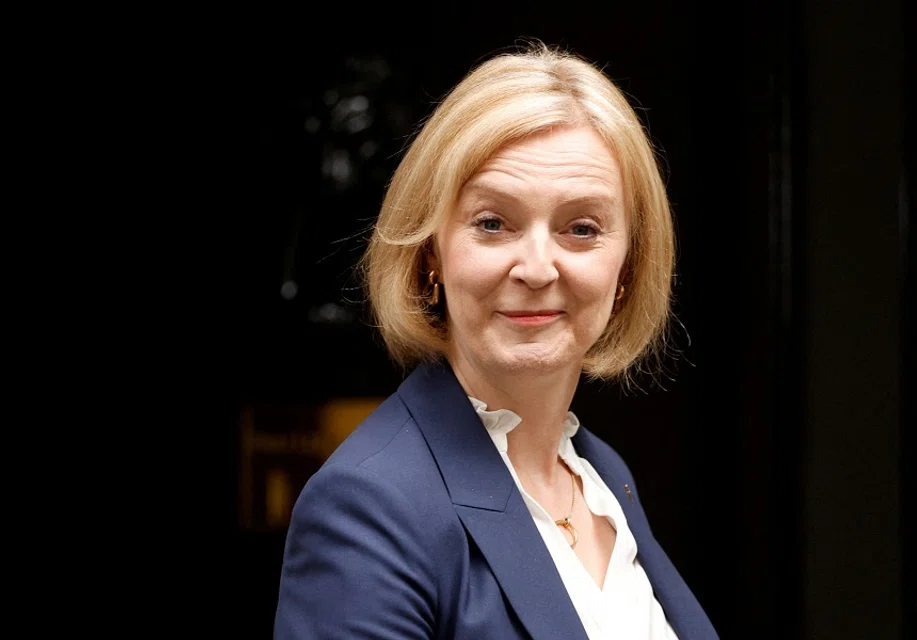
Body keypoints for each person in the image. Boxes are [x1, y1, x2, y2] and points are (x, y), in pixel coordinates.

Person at [274, 43, 718, 639]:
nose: (537, 268)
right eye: (493, 223)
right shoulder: (367, 507)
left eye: (581, 227)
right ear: (431, 252)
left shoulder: (600, 474)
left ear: (627, 269)